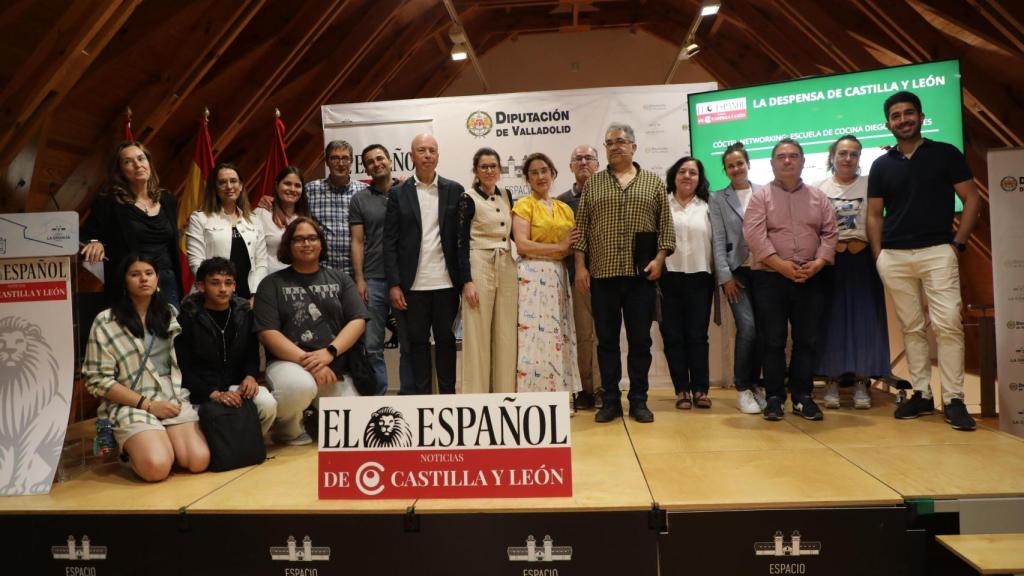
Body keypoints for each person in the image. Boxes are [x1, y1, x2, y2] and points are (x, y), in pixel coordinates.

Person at [867, 91, 981, 431]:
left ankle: (955, 398)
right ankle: (921, 393)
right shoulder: (881, 165)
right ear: (887, 123)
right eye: (896, 116)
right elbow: (874, 215)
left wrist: (957, 245)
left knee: (948, 323)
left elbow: (972, 199)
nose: (903, 120)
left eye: (909, 113)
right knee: (911, 327)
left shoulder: (945, 153)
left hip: (938, 252)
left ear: (921, 116)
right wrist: (879, 255)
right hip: (895, 256)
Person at [573, 123, 675, 424]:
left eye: (621, 141)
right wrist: (580, 266)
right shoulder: (593, 184)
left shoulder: (654, 183)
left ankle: (639, 400)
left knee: (640, 341)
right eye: (609, 143)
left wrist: (659, 260)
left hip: (640, 277)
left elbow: (665, 231)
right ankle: (611, 402)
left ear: (634, 146)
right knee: (606, 342)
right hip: (602, 276)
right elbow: (582, 232)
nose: (615, 147)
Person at [83, 254, 208, 481]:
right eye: (135, 274)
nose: (144, 279)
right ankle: (134, 449)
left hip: (170, 395)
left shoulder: (169, 313)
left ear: (157, 278)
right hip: (131, 398)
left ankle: (160, 440)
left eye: (149, 274)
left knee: (198, 460)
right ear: (124, 280)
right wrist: (148, 405)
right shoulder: (106, 321)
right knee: (156, 467)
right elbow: (97, 380)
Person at [743, 138, 838, 422]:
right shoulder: (760, 197)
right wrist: (781, 265)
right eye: (781, 156)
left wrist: (819, 262)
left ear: (802, 161)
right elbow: (754, 235)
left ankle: (802, 397)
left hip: (810, 277)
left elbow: (830, 233)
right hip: (771, 278)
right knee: (772, 340)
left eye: (793, 156)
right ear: (772, 163)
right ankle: (774, 397)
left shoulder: (818, 197)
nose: (787, 161)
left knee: (806, 340)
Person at [254, 217, 369, 445]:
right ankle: (289, 430)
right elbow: (268, 333)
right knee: (299, 387)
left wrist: (330, 353)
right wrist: (310, 362)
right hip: (289, 363)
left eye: (312, 238)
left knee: (353, 430)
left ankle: (313, 416)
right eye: (299, 239)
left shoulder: (340, 279)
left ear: (321, 243)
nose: (306, 243)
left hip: (333, 362)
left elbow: (358, 320)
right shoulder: (271, 284)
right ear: (288, 245)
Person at [383, 134, 462, 395]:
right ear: (412, 156)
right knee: (416, 344)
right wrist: (394, 284)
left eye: (432, 150)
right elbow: (389, 242)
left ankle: (449, 398)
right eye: (422, 150)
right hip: (411, 286)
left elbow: (462, 241)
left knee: (446, 341)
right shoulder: (397, 194)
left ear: (438, 155)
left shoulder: (454, 190)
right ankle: (423, 400)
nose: (427, 155)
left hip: (446, 282)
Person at [816, 135, 890, 410]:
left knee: (866, 322)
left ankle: (862, 382)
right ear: (832, 156)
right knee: (831, 322)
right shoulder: (818, 187)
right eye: (843, 153)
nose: (848, 158)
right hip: (832, 261)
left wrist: (879, 256)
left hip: (863, 261)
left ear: (859, 158)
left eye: (854, 154)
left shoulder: (871, 184)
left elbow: (879, 219)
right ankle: (832, 381)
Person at [175, 257, 277, 436]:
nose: (223, 289)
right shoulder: (187, 317)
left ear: (235, 286)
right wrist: (213, 393)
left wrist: (251, 377)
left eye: (228, 283)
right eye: (215, 283)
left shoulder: (244, 313)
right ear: (201, 286)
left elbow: (251, 354)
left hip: (235, 387)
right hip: (199, 393)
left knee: (267, 403)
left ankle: (247, 444)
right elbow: (182, 367)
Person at [80, 141, 184, 308]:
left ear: (149, 163)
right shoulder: (109, 202)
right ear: (120, 171)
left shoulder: (168, 200)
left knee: (171, 332)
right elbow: (86, 235)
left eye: (141, 159)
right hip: (131, 282)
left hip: (167, 280)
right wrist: (95, 242)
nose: (137, 165)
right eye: (128, 162)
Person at [512, 152, 581, 397]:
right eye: (534, 172)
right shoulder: (523, 205)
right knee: (533, 338)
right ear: (527, 178)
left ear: (552, 173)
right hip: (531, 275)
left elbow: (573, 244)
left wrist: (564, 250)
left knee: (557, 337)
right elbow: (522, 245)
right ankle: (534, 397)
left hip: (559, 276)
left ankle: (561, 397)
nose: (540, 176)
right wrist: (559, 248)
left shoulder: (564, 209)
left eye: (544, 170)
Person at [709, 142, 766, 415]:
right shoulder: (718, 198)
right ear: (725, 170)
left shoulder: (765, 192)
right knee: (748, 328)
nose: (736, 168)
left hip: (766, 271)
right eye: (730, 165)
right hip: (737, 274)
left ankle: (757, 385)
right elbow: (718, 241)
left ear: (748, 164)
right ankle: (742, 388)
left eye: (740, 163)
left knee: (765, 331)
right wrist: (725, 277)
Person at [457, 148, 518, 393]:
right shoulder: (467, 198)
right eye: (484, 167)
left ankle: (505, 394)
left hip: (506, 264)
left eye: (494, 166)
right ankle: (476, 397)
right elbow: (459, 242)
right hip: (479, 263)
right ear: (475, 171)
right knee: (477, 333)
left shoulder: (507, 194)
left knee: (505, 333)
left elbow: (515, 234)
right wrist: (466, 281)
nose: (490, 171)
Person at [661, 157, 715, 410]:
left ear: (699, 178)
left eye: (693, 172)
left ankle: (701, 390)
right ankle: (681, 389)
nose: (687, 176)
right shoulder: (662, 204)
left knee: (697, 337)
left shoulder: (708, 205)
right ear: (673, 175)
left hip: (700, 276)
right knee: (673, 337)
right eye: (682, 171)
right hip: (668, 276)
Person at [351, 144, 403, 395]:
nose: (376, 163)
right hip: (373, 279)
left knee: (411, 343)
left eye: (380, 158)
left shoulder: (408, 191)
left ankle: (411, 396)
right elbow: (358, 241)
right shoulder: (360, 199)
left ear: (390, 160)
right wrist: (360, 279)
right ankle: (378, 399)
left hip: (407, 280)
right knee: (372, 345)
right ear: (366, 168)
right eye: (370, 161)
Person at [557, 145, 601, 410]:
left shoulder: (608, 192)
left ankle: (604, 387)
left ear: (598, 164)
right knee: (583, 335)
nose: (583, 162)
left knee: (605, 336)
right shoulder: (561, 202)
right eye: (578, 158)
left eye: (589, 158)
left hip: (609, 276)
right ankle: (587, 389)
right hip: (576, 278)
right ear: (571, 166)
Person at [186, 162, 268, 299]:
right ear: (215, 188)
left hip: (248, 296)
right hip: (211, 296)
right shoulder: (199, 218)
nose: (229, 186)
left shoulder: (254, 220)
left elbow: (261, 262)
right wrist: (216, 288)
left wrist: (255, 295)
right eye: (222, 182)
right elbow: (196, 262)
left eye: (233, 181)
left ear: (241, 186)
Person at [305, 140, 368, 276]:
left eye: (345, 158)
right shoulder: (310, 190)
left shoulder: (365, 191)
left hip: (356, 274)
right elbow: (288, 206)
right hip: (321, 272)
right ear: (327, 161)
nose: (340, 163)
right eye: (335, 158)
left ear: (351, 161)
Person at [254, 166, 310, 275]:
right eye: (287, 184)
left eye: (297, 185)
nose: (292, 189)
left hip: (299, 281)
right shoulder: (261, 213)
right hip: (268, 281)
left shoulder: (305, 217)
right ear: (276, 185)